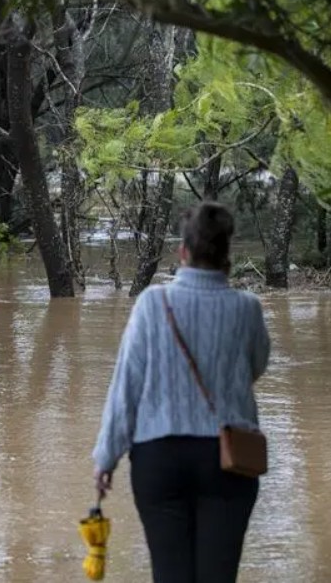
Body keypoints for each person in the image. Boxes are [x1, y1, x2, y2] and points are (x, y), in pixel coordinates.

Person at [91, 201, 271, 583]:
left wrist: (106, 457)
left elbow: (127, 386)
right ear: (227, 253)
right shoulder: (248, 308)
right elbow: (256, 368)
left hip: (160, 457)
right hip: (230, 459)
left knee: (170, 575)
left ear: (183, 252)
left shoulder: (152, 304)